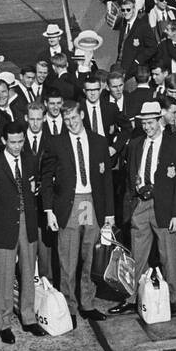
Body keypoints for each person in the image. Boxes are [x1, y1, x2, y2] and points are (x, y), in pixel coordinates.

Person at [42, 102, 115, 326]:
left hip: (91, 202)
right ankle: (68, 307)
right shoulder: (56, 143)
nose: (71, 123)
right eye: (67, 120)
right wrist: (49, 211)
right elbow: (46, 179)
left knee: (90, 257)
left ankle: (87, 303)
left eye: (74, 118)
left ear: (82, 115)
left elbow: (106, 180)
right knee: (68, 259)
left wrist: (110, 213)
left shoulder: (98, 141)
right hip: (70, 205)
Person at [112, 101, 176, 312]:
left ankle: (171, 298)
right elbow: (129, 176)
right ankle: (134, 297)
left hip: (164, 206)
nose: (147, 127)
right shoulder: (136, 144)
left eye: (150, 122)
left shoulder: (175, 143)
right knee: (138, 255)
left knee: (168, 255)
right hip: (140, 205)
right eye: (144, 123)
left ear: (159, 121)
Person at [0, 122, 41, 341]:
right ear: (4, 141)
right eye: (12, 142)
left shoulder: (30, 161)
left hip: (27, 223)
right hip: (2, 226)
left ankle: (28, 318)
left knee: (28, 272)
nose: (16, 146)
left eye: (20, 141)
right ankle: (4, 323)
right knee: (4, 276)